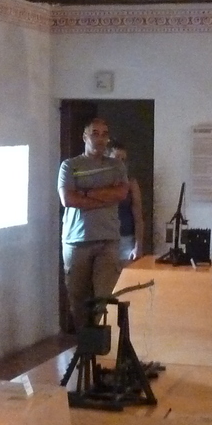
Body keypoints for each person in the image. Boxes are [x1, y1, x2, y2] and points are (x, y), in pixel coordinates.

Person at [58, 119, 129, 333]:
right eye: (95, 133)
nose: (100, 138)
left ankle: (101, 350)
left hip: (107, 239)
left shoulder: (116, 165)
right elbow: (68, 199)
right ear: (85, 136)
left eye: (104, 134)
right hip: (76, 241)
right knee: (78, 300)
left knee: (104, 298)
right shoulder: (70, 166)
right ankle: (85, 346)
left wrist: (86, 193)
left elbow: (121, 194)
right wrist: (104, 196)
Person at [108, 143, 146, 263]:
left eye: (123, 159)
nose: (120, 162)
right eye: (116, 158)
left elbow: (138, 217)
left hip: (126, 239)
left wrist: (138, 246)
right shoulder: (100, 182)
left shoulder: (130, 183)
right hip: (105, 240)